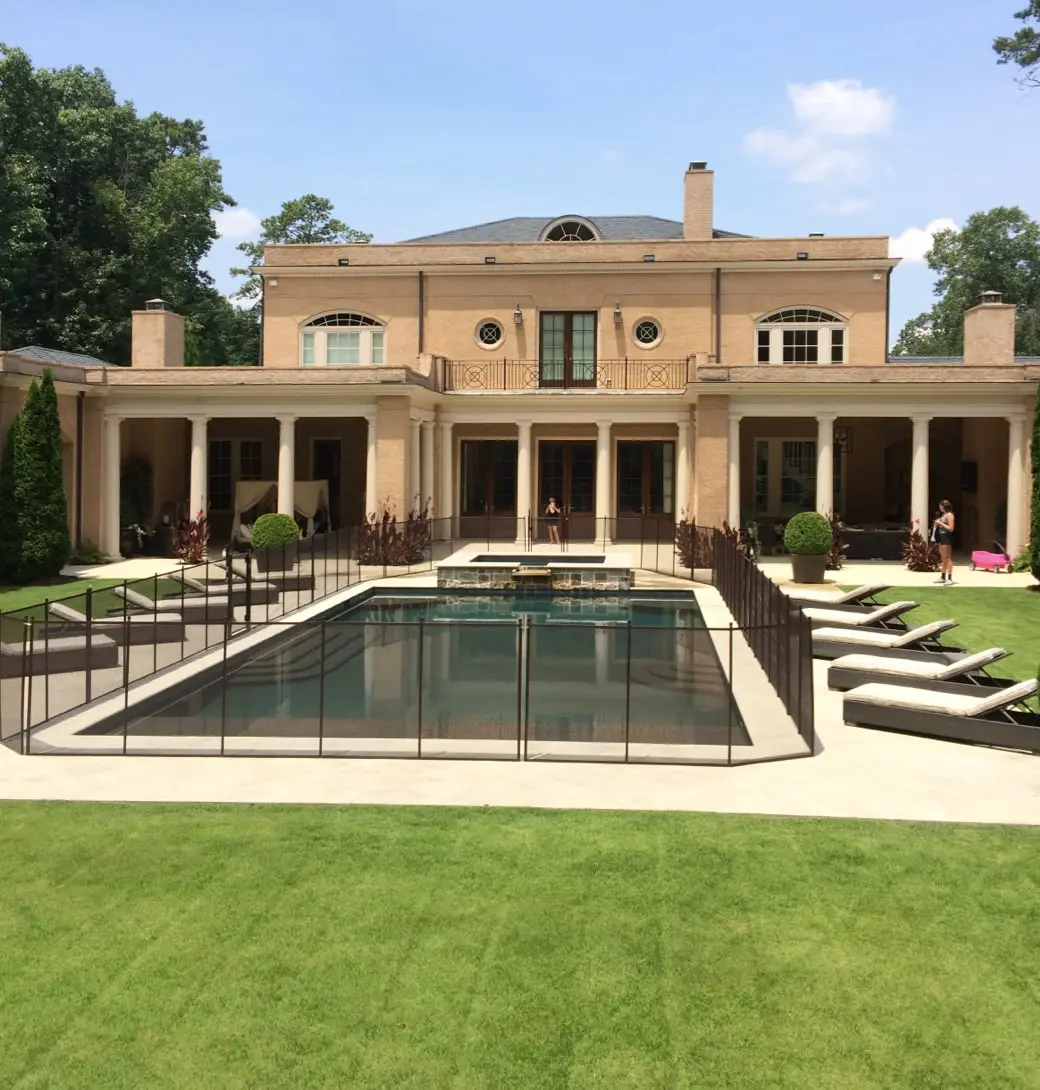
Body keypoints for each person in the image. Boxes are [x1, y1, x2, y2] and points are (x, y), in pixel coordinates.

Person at [933, 499, 956, 585]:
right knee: (943, 558)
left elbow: (951, 528)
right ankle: (943, 577)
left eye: (940, 506)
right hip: (941, 537)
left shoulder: (950, 515)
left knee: (948, 558)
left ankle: (949, 578)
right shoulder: (944, 515)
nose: (939, 507)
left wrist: (941, 523)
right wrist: (937, 524)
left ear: (944, 506)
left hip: (946, 538)